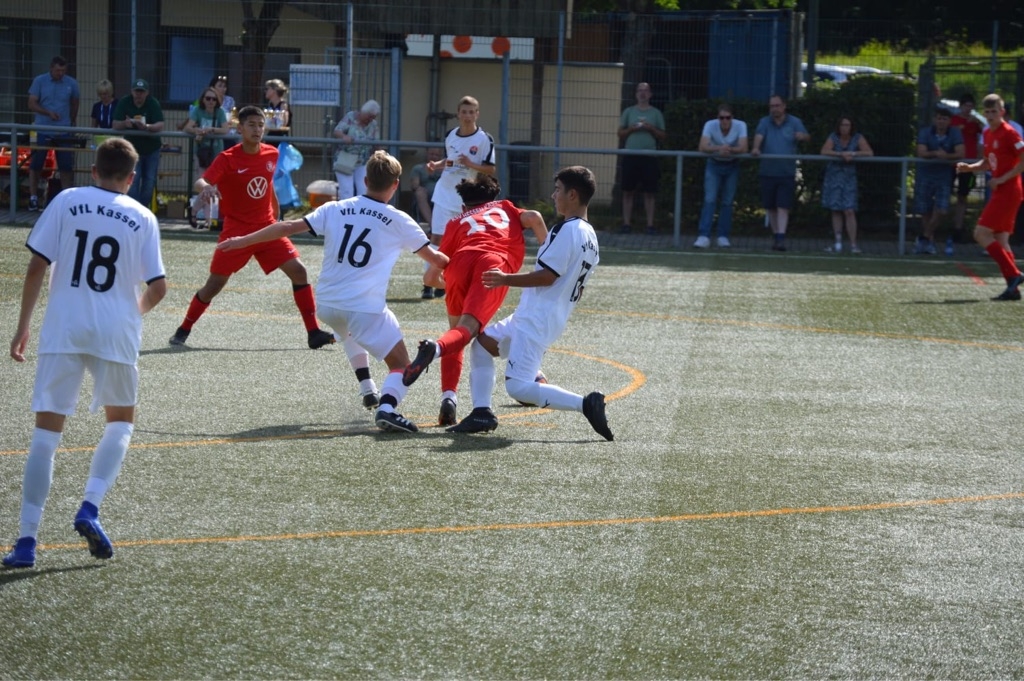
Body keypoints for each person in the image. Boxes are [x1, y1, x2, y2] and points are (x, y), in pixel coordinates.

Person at [2, 138, 167, 569]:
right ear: (132, 178)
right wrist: (130, 315)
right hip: (115, 332)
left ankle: (26, 542)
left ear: (93, 170)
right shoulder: (143, 216)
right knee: (121, 422)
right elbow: (158, 288)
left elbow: (37, 266)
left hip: (64, 328)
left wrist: (22, 327)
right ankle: (89, 507)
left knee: (45, 436)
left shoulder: (67, 199)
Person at [216, 150, 449, 433]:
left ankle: (368, 388)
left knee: (350, 329)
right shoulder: (400, 219)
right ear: (396, 184)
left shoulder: (335, 208)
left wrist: (243, 240)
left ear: (365, 180)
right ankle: (388, 408)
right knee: (402, 365)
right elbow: (437, 260)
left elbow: (287, 226)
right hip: (363, 308)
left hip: (326, 306)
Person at [444, 166, 613, 441]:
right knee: (482, 346)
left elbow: (547, 276)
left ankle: (585, 404)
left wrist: (504, 279)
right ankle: (481, 412)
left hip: (538, 317)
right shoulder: (591, 236)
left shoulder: (566, 230)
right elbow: (575, 286)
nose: (553, 195)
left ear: (572, 194)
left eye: (557, 190)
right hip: (539, 314)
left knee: (519, 388)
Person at [167, 106, 334, 350]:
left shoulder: (271, 154)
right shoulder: (227, 158)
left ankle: (313, 332)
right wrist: (206, 188)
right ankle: (184, 329)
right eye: (252, 125)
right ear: (240, 128)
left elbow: (267, 185)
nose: (257, 129)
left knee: (299, 271)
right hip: (236, 232)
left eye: (261, 125)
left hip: (266, 228)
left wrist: (276, 214)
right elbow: (200, 181)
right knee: (214, 285)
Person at [402, 174, 548, 427]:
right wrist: (547, 255)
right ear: (494, 198)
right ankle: (435, 349)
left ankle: (449, 398)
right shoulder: (505, 207)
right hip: (492, 263)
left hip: (459, 264)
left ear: (463, 206)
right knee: (467, 331)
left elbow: (430, 278)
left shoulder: (456, 221)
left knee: (457, 333)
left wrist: (452, 283)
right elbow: (534, 217)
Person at [955, 93, 1024, 301]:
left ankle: (1014, 275)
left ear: (1002, 112)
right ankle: (1012, 289)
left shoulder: (1010, 133)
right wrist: (969, 168)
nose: (991, 115)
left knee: (981, 233)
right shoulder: (987, 133)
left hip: (1009, 191)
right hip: (1001, 190)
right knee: (1001, 240)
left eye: (994, 111)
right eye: (987, 112)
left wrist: (1002, 179)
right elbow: (987, 162)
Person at [751, 94, 810, 252]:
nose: (774, 109)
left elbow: (807, 136)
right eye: (771, 106)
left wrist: (802, 136)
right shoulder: (764, 122)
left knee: (783, 206)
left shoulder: (795, 121)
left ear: (784, 106)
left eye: (777, 106)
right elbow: (759, 136)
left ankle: (781, 237)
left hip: (786, 171)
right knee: (770, 207)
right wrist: (756, 148)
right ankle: (776, 235)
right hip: (767, 171)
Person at [27, 55, 80, 211]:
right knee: (36, 164)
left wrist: (71, 121)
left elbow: (75, 103)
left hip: (63, 130)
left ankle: (66, 199)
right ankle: (33, 198)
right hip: (43, 129)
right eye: (58, 70)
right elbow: (31, 103)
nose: (60, 73)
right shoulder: (39, 81)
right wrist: (47, 112)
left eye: (63, 70)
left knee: (66, 166)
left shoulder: (72, 83)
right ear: (51, 68)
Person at [695, 103, 748, 248]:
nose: (724, 121)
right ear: (717, 118)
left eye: (727, 118)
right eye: (721, 118)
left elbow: (744, 147)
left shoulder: (741, 125)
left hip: (732, 165)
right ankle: (703, 236)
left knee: (727, 201)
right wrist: (719, 149)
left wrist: (729, 150)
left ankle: (723, 236)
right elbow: (702, 146)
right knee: (709, 199)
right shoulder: (710, 125)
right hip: (714, 164)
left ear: (732, 118)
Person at [913, 105, 964, 254]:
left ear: (949, 121)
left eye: (945, 119)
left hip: (944, 176)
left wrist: (946, 156)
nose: (941, 121)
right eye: (939, 118)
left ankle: (924, 236)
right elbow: (921, 152)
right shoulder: (925, 132)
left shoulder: (954, 133)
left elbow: (961, 152)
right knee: (925, 210)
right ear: (935, 119)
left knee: (942, 209)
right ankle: (929, 242)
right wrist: (936, 153)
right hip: (925, 174)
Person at [617, 82, 666, 235]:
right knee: (627, 191)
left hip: (649, 156)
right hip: (631, 156)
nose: (643, 93)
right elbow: (620, 134)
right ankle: (626, 224)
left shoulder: (656, 113)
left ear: (650, 94)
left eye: (646, 91)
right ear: (636, 94)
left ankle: (650, 225)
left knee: (649, 192)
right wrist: (632, 129)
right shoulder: (629, 112)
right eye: (640, 90)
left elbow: (663, 135)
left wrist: (650, 128)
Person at [820, 116, 873, 254]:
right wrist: (840, 154)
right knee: (835, 209)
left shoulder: (857, 137)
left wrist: (853, 153)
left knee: (849, 210)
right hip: (834, 177)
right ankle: (837, 242)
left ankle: (853, 244)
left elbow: (869, 152)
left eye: (847, 125)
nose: (845, 128)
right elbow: (824, 150)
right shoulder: (833, 137)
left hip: (849, 178)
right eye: (842, 125)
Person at [111, 78, 165, 209]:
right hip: (132, 150)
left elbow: (160, 124)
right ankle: (134, 209)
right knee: (133, 181)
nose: (139, 94)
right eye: (136, 91)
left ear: (147, 93)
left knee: (149, 182)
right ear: (132, 91)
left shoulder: (153, 103)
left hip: (151, 149)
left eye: (142, 92)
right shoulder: (124, 102)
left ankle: (142, 209)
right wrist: (125, 124)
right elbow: (115, 124)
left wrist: (147, 127)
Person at [332, 99, 380, 201]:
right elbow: (337, 131)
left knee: (364, 190)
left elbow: (376, 142)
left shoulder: (373, 124)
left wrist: (379, 155)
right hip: (346, 158)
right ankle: (346, 210)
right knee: (347, 190)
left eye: (373, 117)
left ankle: (361, 210)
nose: (370, 120)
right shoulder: (350, 117)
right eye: (369, 116)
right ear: (363, 112)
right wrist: (344, 136)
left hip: (363, 160)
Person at [950, 96, 983, 241]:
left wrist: (978, 123)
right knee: (945, 193)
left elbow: (985, 133)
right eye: (966, 106)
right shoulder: (954, 120)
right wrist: (965, 125)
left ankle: (958, 227)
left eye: (971, 106)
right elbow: (953, 131)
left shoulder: (976, 122)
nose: (968, 109)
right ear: (961, 106)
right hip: (953, 163)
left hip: (969, 164)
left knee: (963, 196)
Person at [182, 86, 229, 170]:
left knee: (215, 176)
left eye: (214, 99)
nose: (211, 101)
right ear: (203, 99)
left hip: (217, 151)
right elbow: (187, 127)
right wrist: (197, 130)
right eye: (208, 98)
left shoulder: (220, 112)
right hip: (201, 150)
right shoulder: (197, 110)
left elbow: (225, 129)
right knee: (201, 176)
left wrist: (211, 129)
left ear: (217, 101)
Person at [410, 146, 444, 225]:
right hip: (426, 194)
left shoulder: (446, 169)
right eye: (431, 154)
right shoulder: (418, 168)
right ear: (427, 154)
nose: (434, 157)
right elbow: (414, 186)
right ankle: (432, 224)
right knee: (419, 192)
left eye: (437, 155)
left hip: (443, 194)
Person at [263, 78, 289, 143]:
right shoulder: (270, 105)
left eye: (267, 89)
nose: (265, 91)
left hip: (280, 137)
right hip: (271, 135)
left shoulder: (283, 105)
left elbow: (283, 123)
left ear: (274, 90)